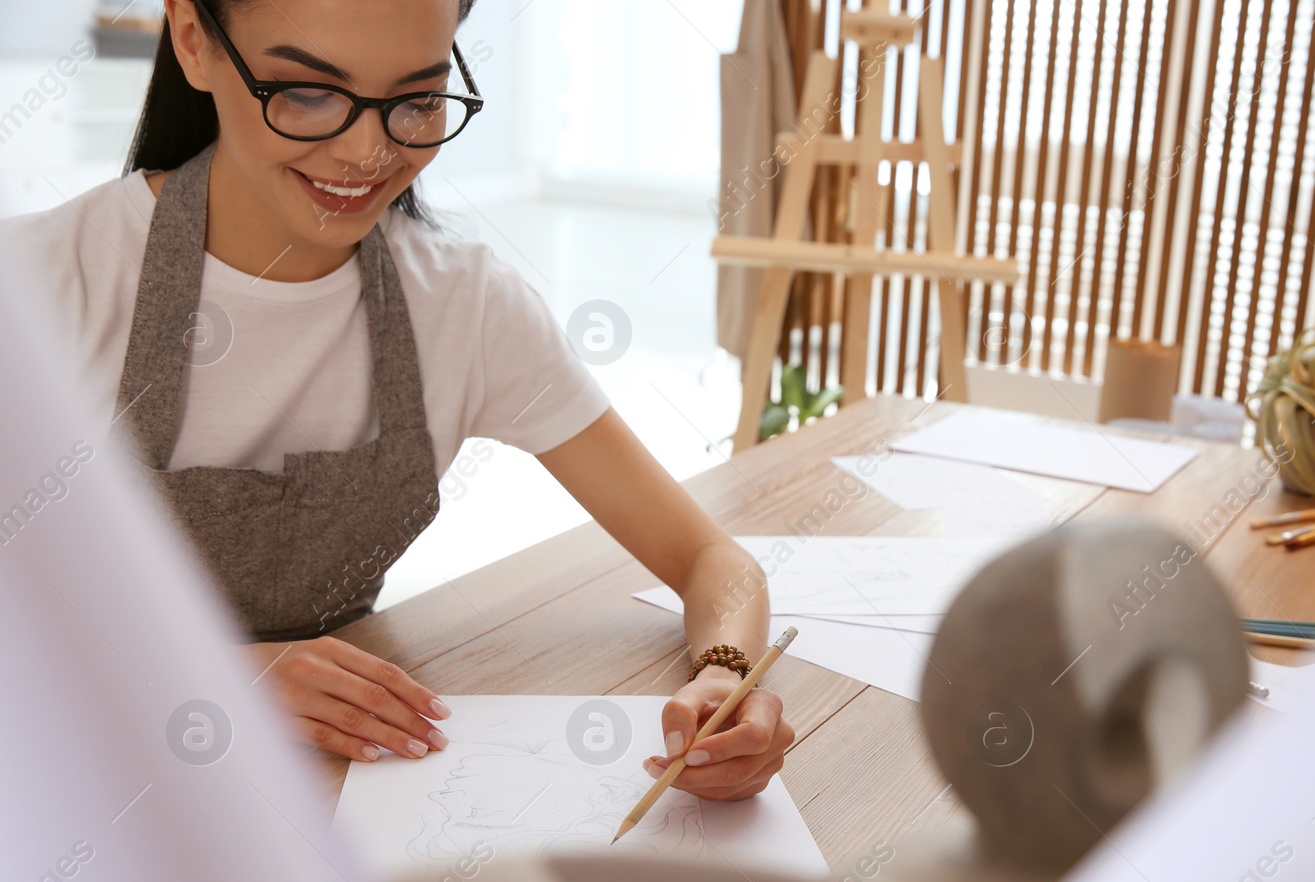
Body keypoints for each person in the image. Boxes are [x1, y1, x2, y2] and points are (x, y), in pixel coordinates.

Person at [0, 0, 788, 800]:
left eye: (416, 100)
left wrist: (726, 679)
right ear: (195, 41)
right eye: (307, 93)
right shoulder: (39, 286)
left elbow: (711, 561)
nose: (367, 151)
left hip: (322, 795)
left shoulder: (464, 305)